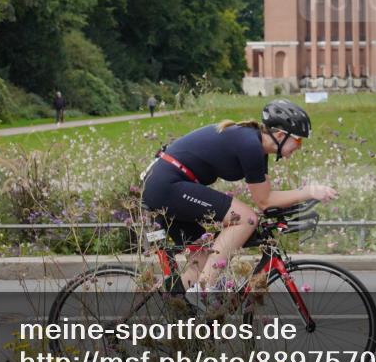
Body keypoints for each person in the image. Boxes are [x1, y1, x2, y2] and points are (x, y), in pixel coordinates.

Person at [140, 100, 337, 291]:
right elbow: (264, 202)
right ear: (280, 134)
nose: (299, 147)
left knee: (202, 263)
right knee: (246, 219)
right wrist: (309, 191)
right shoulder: (250, 145)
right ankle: (205, 290)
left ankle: (171, 303)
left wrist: (302, 201)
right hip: (167, 185)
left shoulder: (257, 149)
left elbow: (267, 199)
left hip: (166, 185)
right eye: (299, 140)